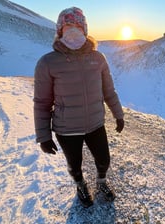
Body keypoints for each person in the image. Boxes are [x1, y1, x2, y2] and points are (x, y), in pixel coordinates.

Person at [33, 7, 124, 208]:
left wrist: (118, 114)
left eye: (77, 27)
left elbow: (109, 91)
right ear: (60, 31)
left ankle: (101, 182)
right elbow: (42, 103)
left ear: (85, 29)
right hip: (66, 129)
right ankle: (80, 184)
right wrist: (44, 136)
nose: (73, 31)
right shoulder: (47, 63)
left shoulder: (98, 58)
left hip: (95, 124)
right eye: (68, 27)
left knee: (104, 160)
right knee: (75, 165)